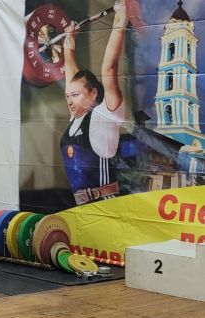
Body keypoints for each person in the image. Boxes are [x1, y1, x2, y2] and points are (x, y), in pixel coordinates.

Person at [60, 0, 128, 205]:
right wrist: (69, 38)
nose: (70, 101)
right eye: (68, 96)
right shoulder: (75, 118)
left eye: (76, 95)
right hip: (80, 206)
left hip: (106, 204)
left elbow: (109, 68)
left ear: (93, 94)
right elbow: (71, 74)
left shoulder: (106, 115)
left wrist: (120, 19)